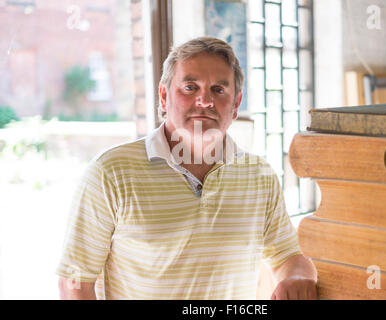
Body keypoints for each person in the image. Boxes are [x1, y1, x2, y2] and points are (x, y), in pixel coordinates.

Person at [57, 37, 317, 300]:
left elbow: (288, 257)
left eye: (218, 89)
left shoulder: (259, 175)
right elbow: (75, 282)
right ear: (164, 96)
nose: (205, 101)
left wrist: (298, 277)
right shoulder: (110, 173)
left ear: (236, 104)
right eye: (190, 87)